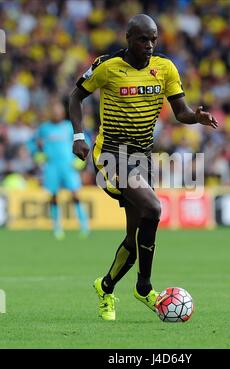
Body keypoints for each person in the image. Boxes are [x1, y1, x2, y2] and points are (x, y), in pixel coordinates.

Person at [69, 14, 218, 321]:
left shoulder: (164, 68)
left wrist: (197, 117)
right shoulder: (107, 67)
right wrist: (79, 136)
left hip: (142, 158)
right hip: (111, 155)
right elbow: (75, 96)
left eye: (153, 39)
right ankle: (144, 286)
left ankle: (105, 287)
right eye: (142, 39)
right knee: (153, 208)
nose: (149, 45)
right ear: (129, 38)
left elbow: (181, 112)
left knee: (135, 237)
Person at [28, 102, 90, 240]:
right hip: (52, 167)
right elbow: (31, 143)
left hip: (68, 166)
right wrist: (37, 154)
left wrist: (80, 159)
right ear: (51, 113)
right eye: (54, 111)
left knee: (75, 194)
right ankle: (57, 227)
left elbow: (87, 140)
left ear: (62, 113)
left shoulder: (69, 127)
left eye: (58, 111)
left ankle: (84, 226)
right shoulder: (44, 128)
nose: (56, 114)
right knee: (54, 196)